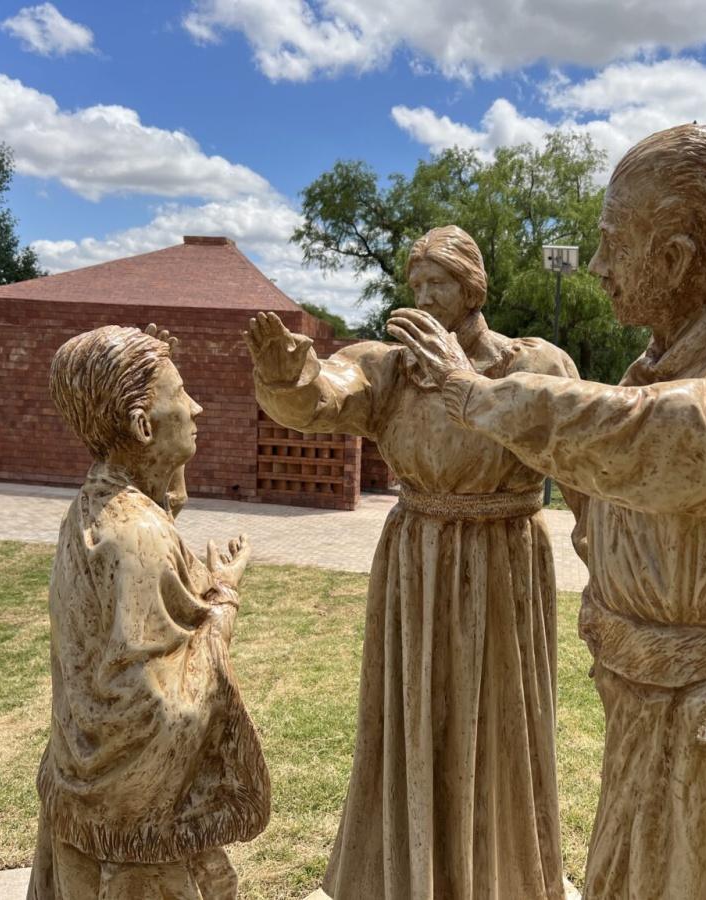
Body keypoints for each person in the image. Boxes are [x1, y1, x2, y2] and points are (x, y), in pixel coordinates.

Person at [388, 126, 706, 900]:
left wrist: (480, 396)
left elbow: (672, 436)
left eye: (609, 243)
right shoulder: (659, 364)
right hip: (645, 702)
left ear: (675, 258)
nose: (595, 266)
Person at [245, 226, 577, 900]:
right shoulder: (390, 370)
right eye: (417, 284)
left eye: (440, 284)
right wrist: (286, 377)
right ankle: (406, 869)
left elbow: (573, 442)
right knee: (413, 715)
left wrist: (463, 376)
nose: (425, 296)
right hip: (418, 557)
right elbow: (322, 396)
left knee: (498, 721)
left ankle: (499, 875)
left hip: (501, 557)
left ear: (473, 287)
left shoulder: (528, 364)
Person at [29, 325, 271, 900]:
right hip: (135, 826)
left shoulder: (98, 502)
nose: (197, 406)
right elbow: (164, 705)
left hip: (85, 790)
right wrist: (223, 598)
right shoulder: (138, 536)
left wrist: (161, 445)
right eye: (180, 394)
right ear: (141, 424)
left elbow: (160, 502)